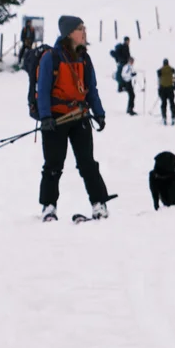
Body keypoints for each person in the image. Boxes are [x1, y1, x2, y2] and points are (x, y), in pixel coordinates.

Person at [35, 15, 110, 221]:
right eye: (80, 29)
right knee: (53, 164)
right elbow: (42, 90)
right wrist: (45, 117)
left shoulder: (84, 58)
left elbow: (91, 89)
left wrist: (99, 112)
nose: (84, 32)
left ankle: (99, 203)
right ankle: (49, 206)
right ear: (69, 33)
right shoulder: (52, 57)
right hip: (56, 119)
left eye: (84, 28)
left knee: (87, 163)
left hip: (80, 116)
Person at [112, 37, 136, 115]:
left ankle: (130, 109)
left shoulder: (123, 47)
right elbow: (124, 74)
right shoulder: (127, 66)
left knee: (132, 95)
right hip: (127, 81)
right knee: (132, 95)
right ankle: (130, 110)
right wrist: (131, 75)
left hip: (126, 77)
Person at [156, 58, 175, 123]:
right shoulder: (171, 69)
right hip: (170, 88)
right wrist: (172, 78)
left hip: (163, 89)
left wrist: (159, 88)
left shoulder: (160, 70)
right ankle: (173, 118)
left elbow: (159, 79)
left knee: (163, 104)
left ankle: (164, 118)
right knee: (172, 103)